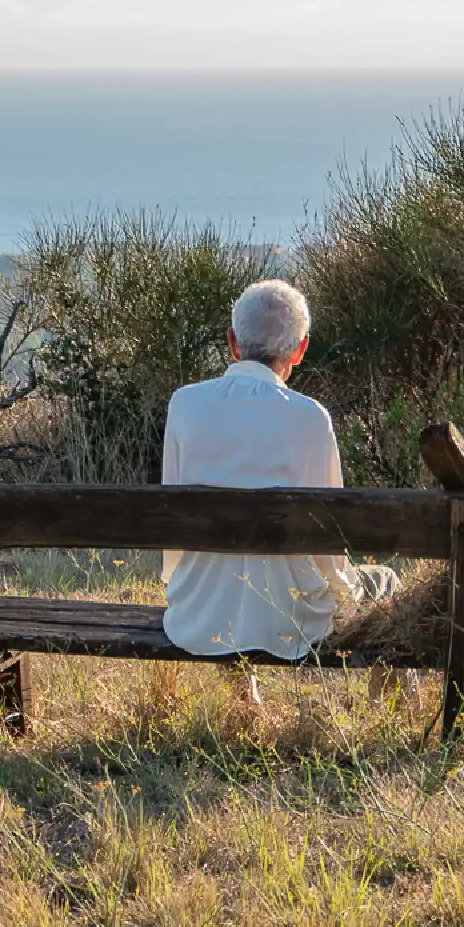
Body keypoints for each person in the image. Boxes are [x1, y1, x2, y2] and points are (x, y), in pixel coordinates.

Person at [159, 279, 397, 676]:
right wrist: (346, 596)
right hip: (289, 621)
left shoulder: (184, 404)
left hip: (196, 616)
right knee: (386, 580)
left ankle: (244, 701)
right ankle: (395, 714)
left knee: (233, 579)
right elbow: (328, 540)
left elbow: (173, 526)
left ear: (233, 342)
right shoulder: (309, 417)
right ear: (300, 349)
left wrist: (185, 588)